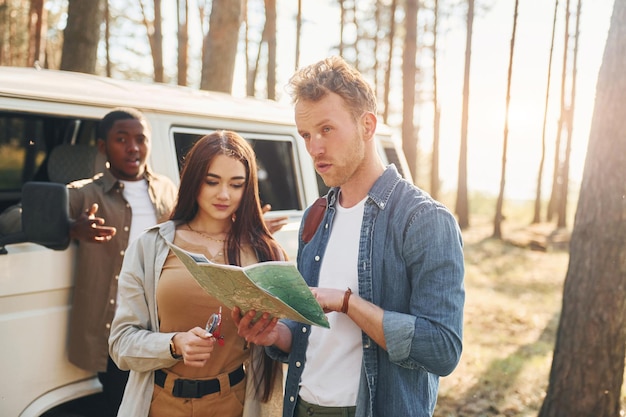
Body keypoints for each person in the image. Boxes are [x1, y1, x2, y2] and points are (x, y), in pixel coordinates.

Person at [232, 55, 465, 417]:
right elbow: (311, 331)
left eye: (326, 129)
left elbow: (442, 349)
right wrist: (276, 335)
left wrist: (347, 303)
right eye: (306, 135)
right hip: (302, 407)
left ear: (367, 125)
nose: (314, 149)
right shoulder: (316, 215)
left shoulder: (424, 219)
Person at [108, 131, 285, 417]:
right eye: (211, 181)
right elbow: (121, 344)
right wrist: (173, 344)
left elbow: (287, 338)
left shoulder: (265, 252)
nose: (224, 194)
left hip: (234, 404)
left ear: (248, 187)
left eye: (236, 184)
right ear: (193, 181)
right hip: (160, 404)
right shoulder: (151, 245)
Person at [67, 107, 178, 416]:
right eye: (121, 139)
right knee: (122, 405)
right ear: (103, 146)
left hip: (164, 324)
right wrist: (69, 228)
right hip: (120, 329)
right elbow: (17, 218)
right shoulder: (84, 194)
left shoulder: (167, 190)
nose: (133, 148)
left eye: (140, 139)